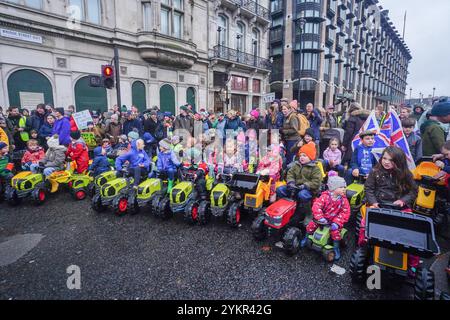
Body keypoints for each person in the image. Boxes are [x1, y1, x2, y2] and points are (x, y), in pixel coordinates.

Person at [361, 146, 419, 274]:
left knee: (412, 230)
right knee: (364, 224)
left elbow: (413, 191)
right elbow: (369, 189)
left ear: (398, 161)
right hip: (379, 205)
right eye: (384, 158)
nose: (386, 162)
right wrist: (374, 202)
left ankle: (413, 261)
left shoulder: (405, 174)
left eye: (391, 160)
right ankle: (364, 247)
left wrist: (403, 200)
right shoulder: (375, 171)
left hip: (398, 206)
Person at [302, 175, 350, 260]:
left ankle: (336, 247)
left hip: (334, 221)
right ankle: (306, 238)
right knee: (310, 225)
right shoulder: (325, 197)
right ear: (334, 188)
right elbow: (316, 206)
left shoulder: (343, 200)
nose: (344, 189)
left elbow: (345, 212)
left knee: (335, 233)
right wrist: (320, 217)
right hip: (322, 219)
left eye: (344, 187)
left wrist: (337, 222)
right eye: (341, 187)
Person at [276, 143, 323, 221]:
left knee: (302, 194)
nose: (301, 157)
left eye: (304, 155)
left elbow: (316, 182)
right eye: (300, 155)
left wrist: (305, 185)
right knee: (280, 189)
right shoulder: (296, 165)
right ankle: (285, 208)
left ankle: (308, 213)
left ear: (310, 157)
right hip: (294, 187)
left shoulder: (315, 169)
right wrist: (290, 182)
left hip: (308, 190)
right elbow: (290, 173)